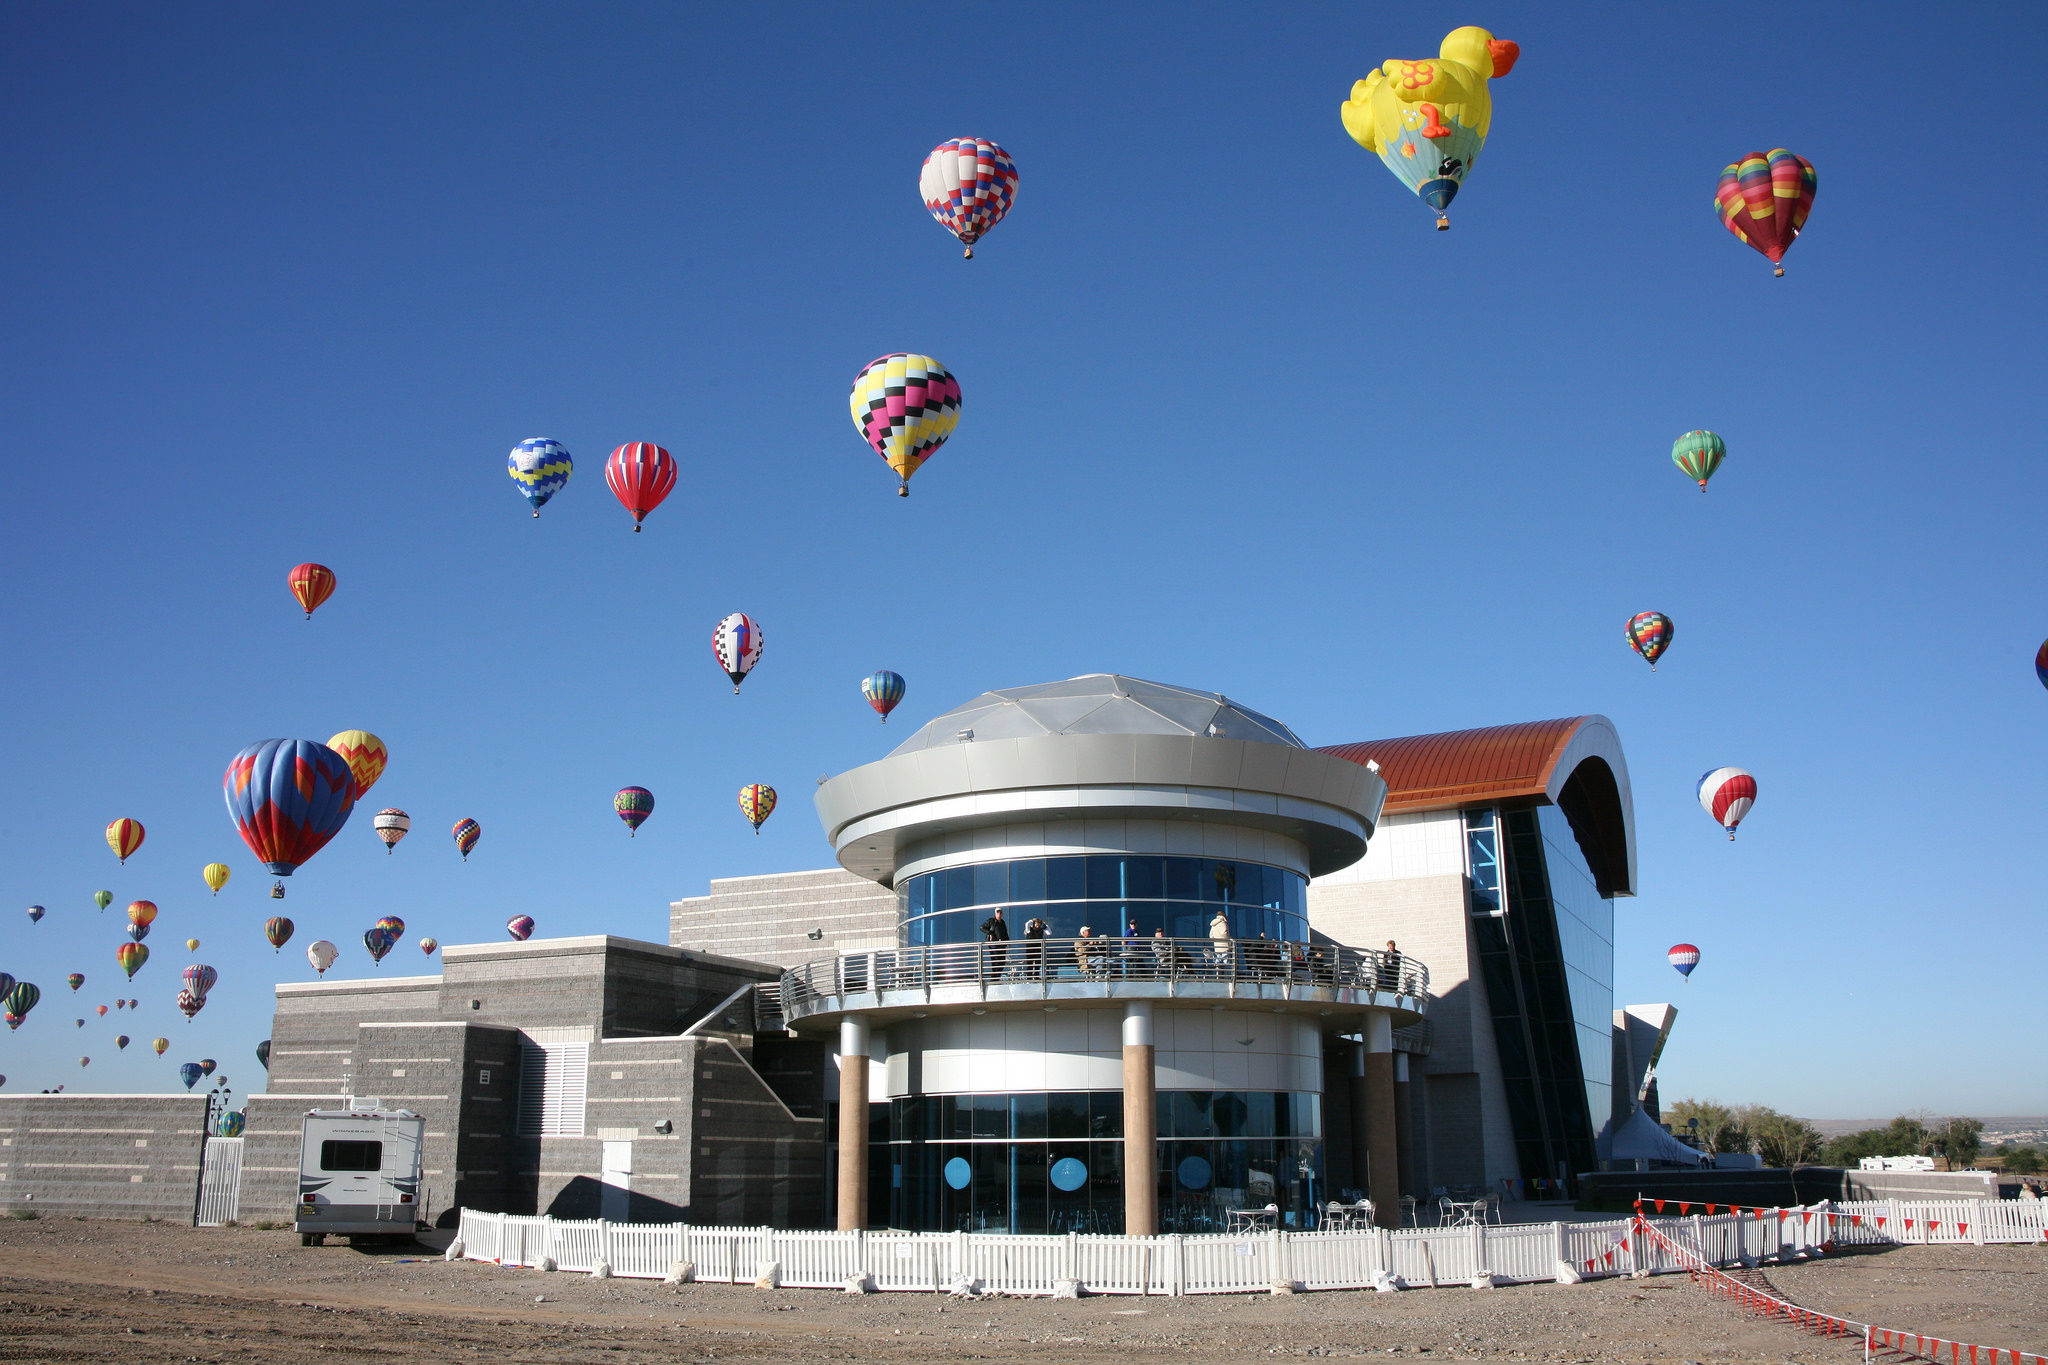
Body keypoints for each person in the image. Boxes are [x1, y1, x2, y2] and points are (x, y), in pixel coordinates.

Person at [980, 906, 1010, 977]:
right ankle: (994, 978)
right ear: (995, 913)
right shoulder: (991, 921)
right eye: (998, 912)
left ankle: (997, 977)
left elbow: (1005, 932)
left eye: (1000, 912)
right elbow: (982, 927)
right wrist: (990, 933)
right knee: (996, 961)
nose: (999, 914)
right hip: (994, 944)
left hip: (1002, 945)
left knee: (1002, 962)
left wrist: (1008, 941)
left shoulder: (1002, 922)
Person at [1208, 909, 1232, 978]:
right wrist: (1229, 939)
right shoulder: (1223, 923)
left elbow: (1211, 935)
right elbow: (1224, 933)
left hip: (1217, 946)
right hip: (1224, 945)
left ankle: (1217, 976)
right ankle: (1228, 977)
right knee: (1226, 961)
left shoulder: (1214, 924)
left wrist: (1216, 940)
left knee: (1218, 961)